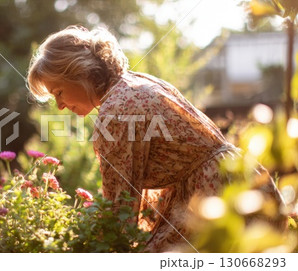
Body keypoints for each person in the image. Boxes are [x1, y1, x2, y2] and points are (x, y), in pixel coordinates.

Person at [26, 25, 286, 252]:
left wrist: (80, 244)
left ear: (80, 72)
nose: (59, 106)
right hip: (232, 180)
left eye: (59, 92)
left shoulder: (116, 111)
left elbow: (120, 206)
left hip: (214, 195)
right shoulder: (133, 83)